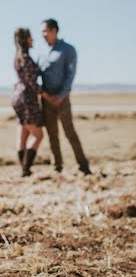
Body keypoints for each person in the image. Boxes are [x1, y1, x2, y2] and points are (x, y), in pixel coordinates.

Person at [38, 19, 91, 175]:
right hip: (47, 100)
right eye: (42, 32)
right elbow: (36, 75)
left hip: (62, 99)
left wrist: (61, 96)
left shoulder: (68, 50)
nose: (43, 35)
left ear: (54, 30)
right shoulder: (42, 53)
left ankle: (83, 165)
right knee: (52, 134)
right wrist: (44, 94)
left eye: (45, 31)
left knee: (69, 132)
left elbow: (70, 75)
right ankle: (57, 166)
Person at [11, 28, 44, 176]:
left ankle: (24, 169)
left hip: (17, 97)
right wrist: (45, 94)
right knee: (38, 135)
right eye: (31, 38)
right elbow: (31, 82)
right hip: (27, 99)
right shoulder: (26, 58)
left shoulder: (17, 57)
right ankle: (26, 168)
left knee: (23, 135)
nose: (33, 40)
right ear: (26, 40)